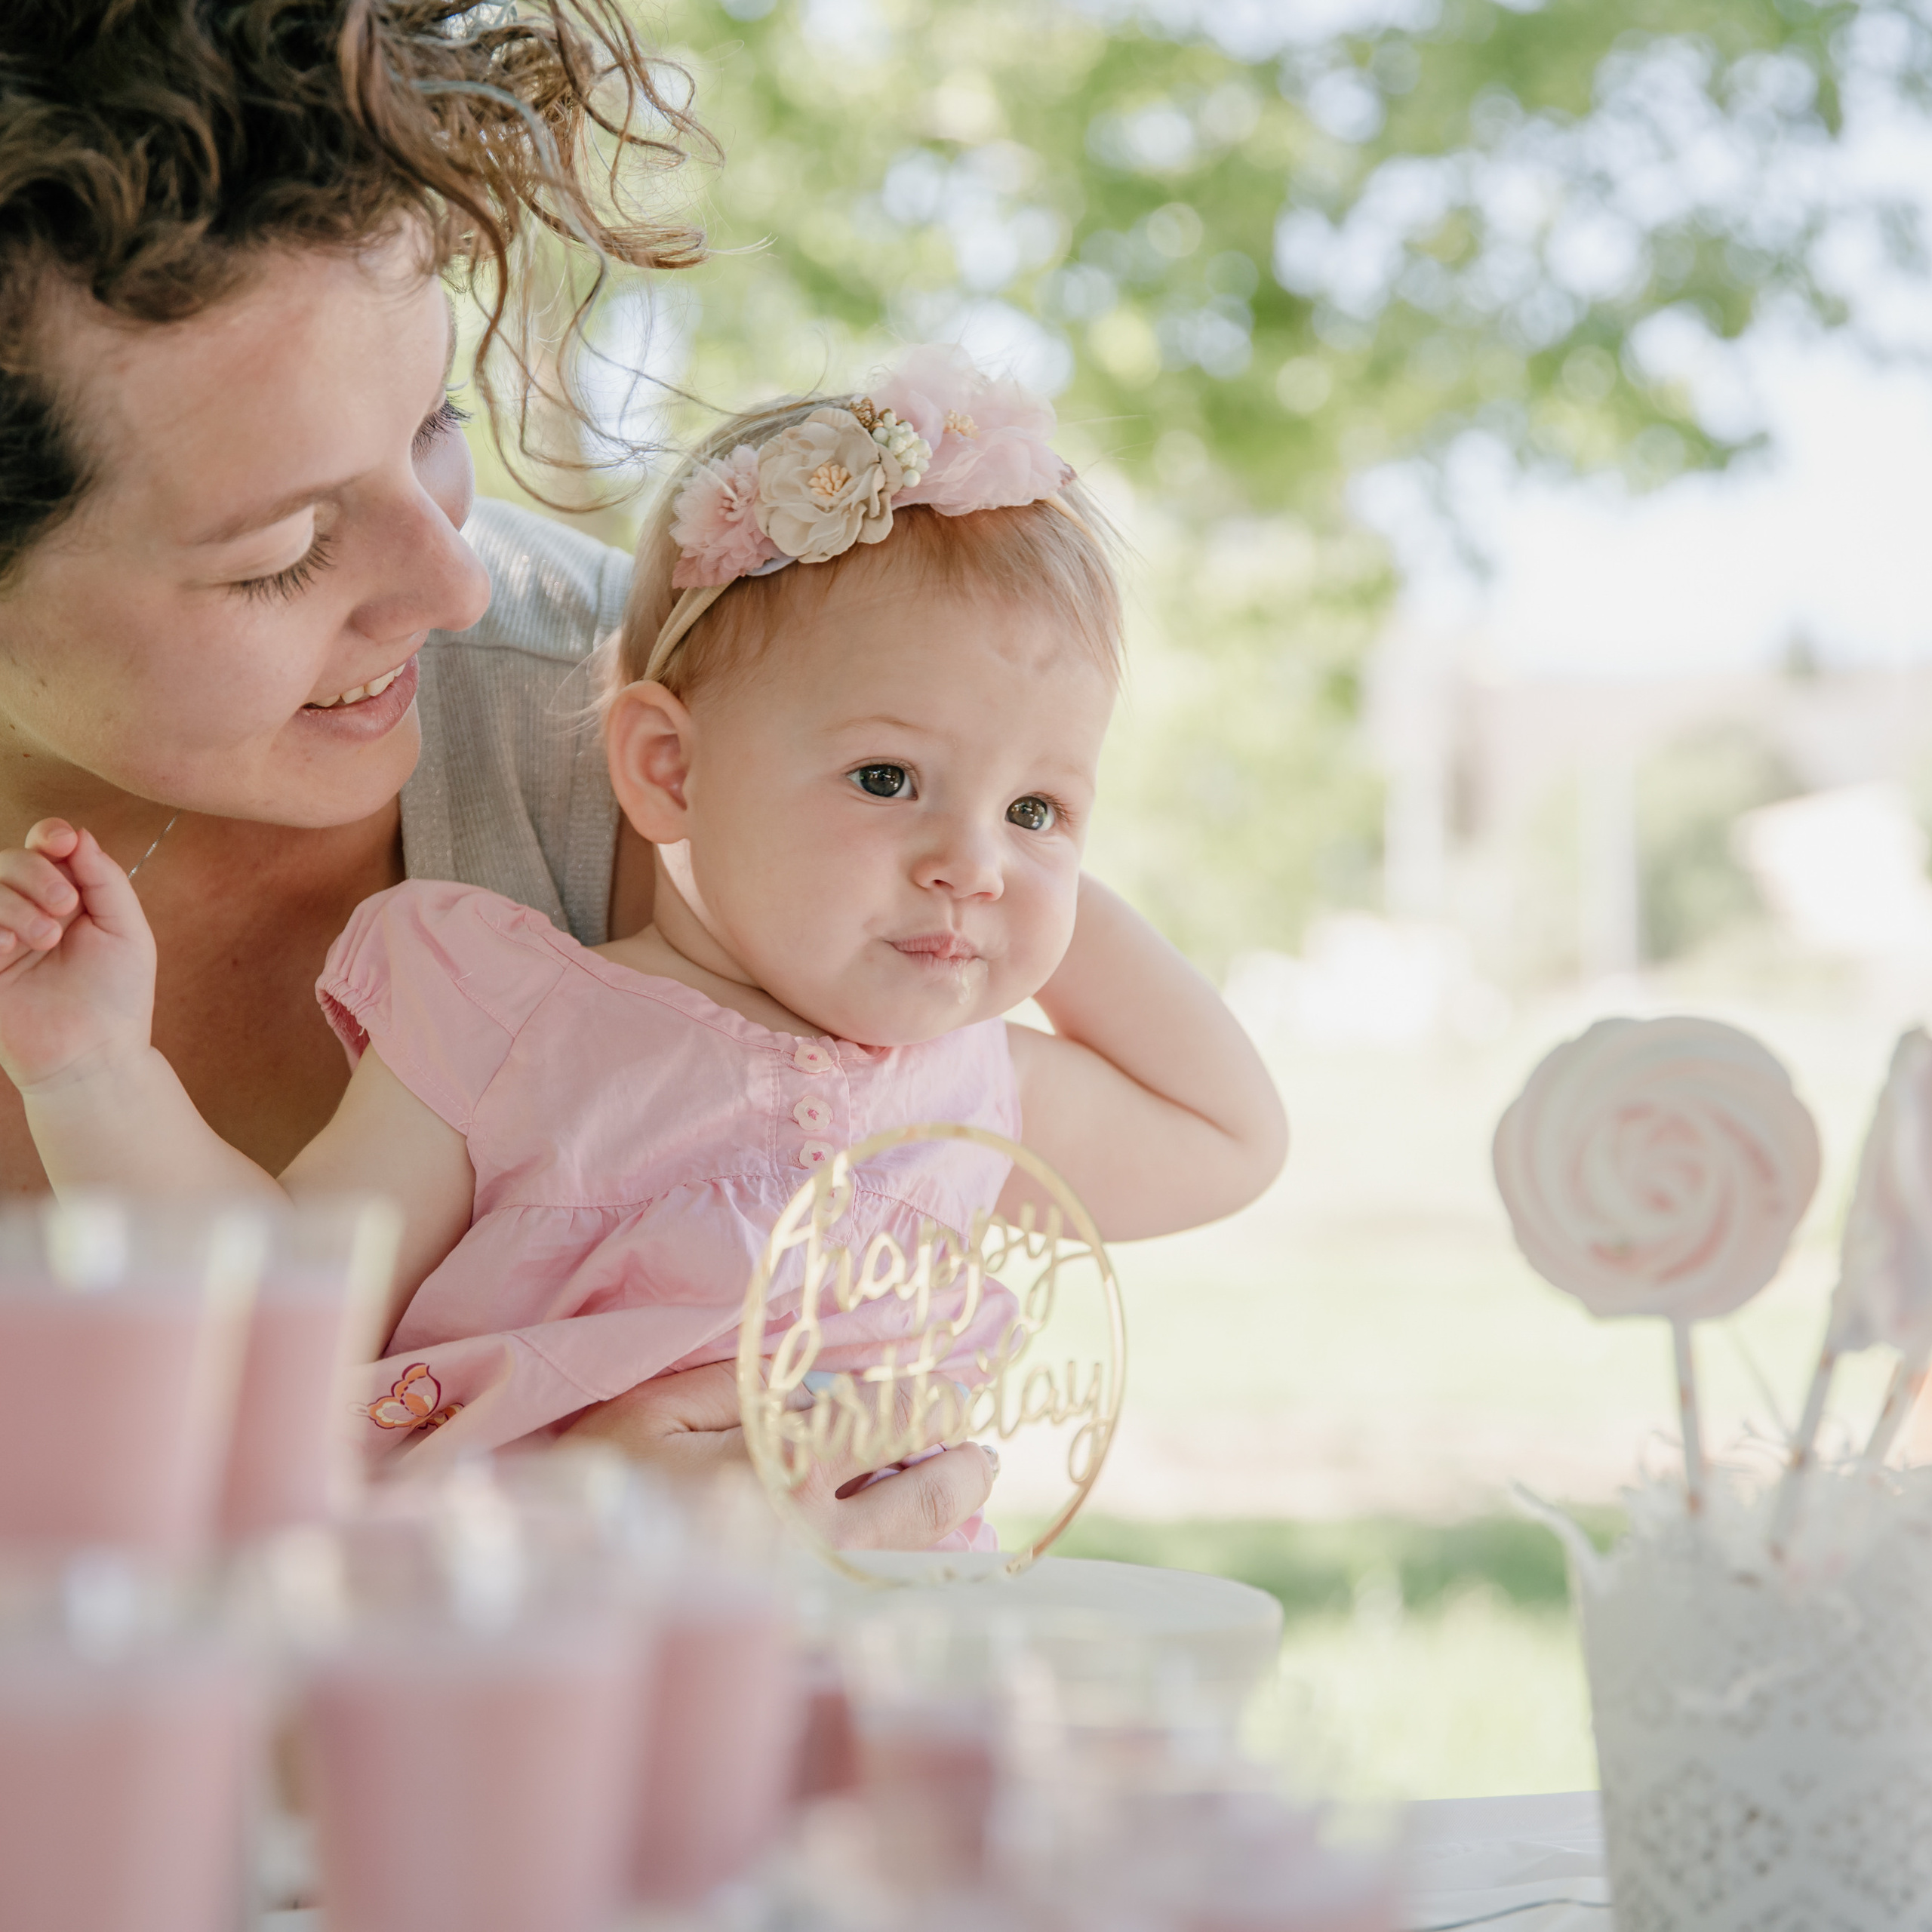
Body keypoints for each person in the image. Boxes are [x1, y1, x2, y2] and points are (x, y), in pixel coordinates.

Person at [0, 346, 1289, 1545]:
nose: (971, 861)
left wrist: (1003, 865)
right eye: (886, 777)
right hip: (535, 1653)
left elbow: (1228, 1140)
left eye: (1041, 808)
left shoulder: (964, 1093)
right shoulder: (508, 1018)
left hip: (865, 1692)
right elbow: (269, 1310)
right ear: (669, 768)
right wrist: (91, 1071)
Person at [0, 1, 979, 1544]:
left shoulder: (643, 734)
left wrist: (851, 1472)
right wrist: (495, 1541)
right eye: (281, 554)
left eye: (432, 424)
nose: (453, 588)